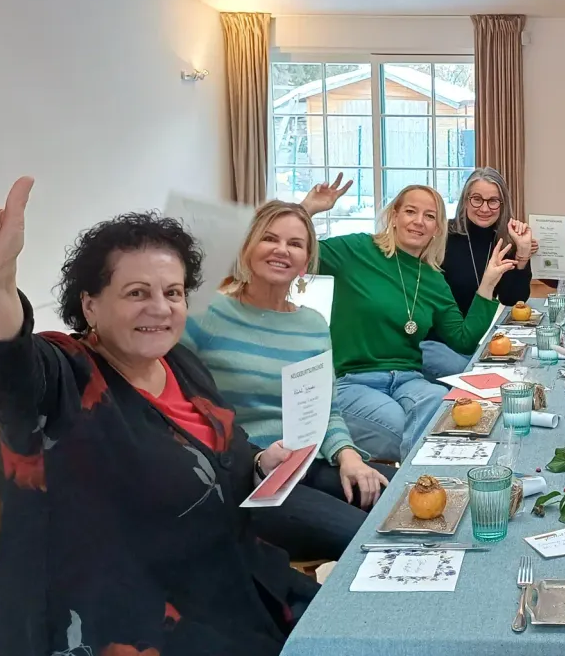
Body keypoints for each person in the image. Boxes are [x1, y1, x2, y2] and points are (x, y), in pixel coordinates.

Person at [0, 178, 315, 656]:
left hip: (215, 571)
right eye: (136, 292)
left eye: (172, 291)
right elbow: (0, 366)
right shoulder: (62, 379)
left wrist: (261, 459)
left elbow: (221, 441)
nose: (160, 308)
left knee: (335, 638)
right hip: (123, 609)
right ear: (90, 304)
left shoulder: (178, 364)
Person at [182, 200, 394, 561]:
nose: (282, 250)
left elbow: (328, 409)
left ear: (307, 259)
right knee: (370, 538)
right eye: (269, 239)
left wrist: (348, 456)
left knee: (409, 503)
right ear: (248, 245)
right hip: (249, 478)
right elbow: (172, 400)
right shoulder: (206, 314)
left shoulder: (312, 324)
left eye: (295, 244)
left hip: (309, 462)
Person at [302, 181, 514, 462]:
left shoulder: (433, 279)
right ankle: (422, 492)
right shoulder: (356, 250)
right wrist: (307, 210)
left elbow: (463, 338)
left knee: (443, 412)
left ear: (438, 228)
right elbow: (293, 250)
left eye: (429, 216)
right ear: (394, 216)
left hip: (408, 380)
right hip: (353, 381)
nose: (419, 222)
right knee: (404, 430)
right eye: (411, 212)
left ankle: (436, 486)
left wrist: (488, 283)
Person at [419, 167, 536, 379]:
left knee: (525, 371)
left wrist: (523, 253)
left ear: (503, 205)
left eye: (493, 201)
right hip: (438, 343)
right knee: (487, 379)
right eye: (477, 199)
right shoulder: (441, 237)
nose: (484, 208)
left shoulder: (502, 240)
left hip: (478, 339)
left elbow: (513, 299)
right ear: (465, 201)